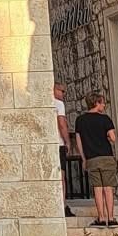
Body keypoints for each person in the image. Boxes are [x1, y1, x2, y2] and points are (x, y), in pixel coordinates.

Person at [74, 93, 118, 228]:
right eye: (102, 102)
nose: (104, 105)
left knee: (97, 188)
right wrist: (107, 136)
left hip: (92, 158)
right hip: (106, 157)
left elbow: (79, 142)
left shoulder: (80, 120)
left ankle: (101, 218)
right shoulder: (105, 119)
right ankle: (111, 218)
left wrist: (83, 159)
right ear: (96, 103)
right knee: (108, 187)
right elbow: (113, 138)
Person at [53, 82, 74, 217]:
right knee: (61, 176)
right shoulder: (59, 104)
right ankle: (62, 204)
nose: (64, 94)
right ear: (54, 89)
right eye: (62, 91)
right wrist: (67, 141)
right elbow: (62, 124)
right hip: (58, 143)